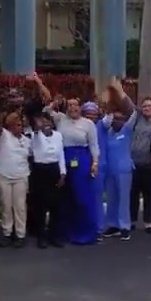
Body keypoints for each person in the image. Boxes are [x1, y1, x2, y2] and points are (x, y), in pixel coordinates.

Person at [33, 76, 100, 245]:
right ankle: (63, 232)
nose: (72, 108)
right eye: (69, 105)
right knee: (64, 197)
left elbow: (93, 145)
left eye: (75, 105)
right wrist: (40, 83)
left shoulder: (88, 124)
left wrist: (95, 163)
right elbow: (46, 109)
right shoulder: (61, 119)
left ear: (80, 107)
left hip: (82, 161)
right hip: (63, 161)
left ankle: (85, 232)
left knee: (81, 197)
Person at [96, 77, 144, 241]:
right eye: (114, 119)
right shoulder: (107, 133)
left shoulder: (127, 130)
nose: (116, 121)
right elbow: (104, 118)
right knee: (112, 198)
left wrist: (120, 93)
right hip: (110, 170)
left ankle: (124, 226)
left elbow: (134, 113)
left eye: (119, 118)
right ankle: (113, 225)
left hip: (124, 170)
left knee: (124, 198)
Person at [0, 111, 32, 246]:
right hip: (4, 175)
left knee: (20, 207)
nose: (18, 127)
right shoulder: (4, 135)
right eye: (15, 125)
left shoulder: (27, 140)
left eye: (20, 125)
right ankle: (7, 233)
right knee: (6, 206)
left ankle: (20, 234)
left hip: (21, 176)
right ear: (10, 126)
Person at [27, 110, 64, 246]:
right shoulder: (35, 135)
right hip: (40, 171)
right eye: (43, 122)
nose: (46, 124)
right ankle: (41, 237)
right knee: (40, 207)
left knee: (56, 206)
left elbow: (61, 156)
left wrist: (63, 173)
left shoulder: (58, 135)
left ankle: (54, 236)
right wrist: (38, 127)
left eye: (48, 121)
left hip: (54, 170)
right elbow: (36, 131)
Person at [130, 96, 151, 231]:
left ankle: (148, 222)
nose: (147, 108)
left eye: (149, 105)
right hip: (134, 163)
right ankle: (132, 220)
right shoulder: (137, 119)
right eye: (144, 106)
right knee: (133, 194)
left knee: (149, 194)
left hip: (150, 164)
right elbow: (128, 104)